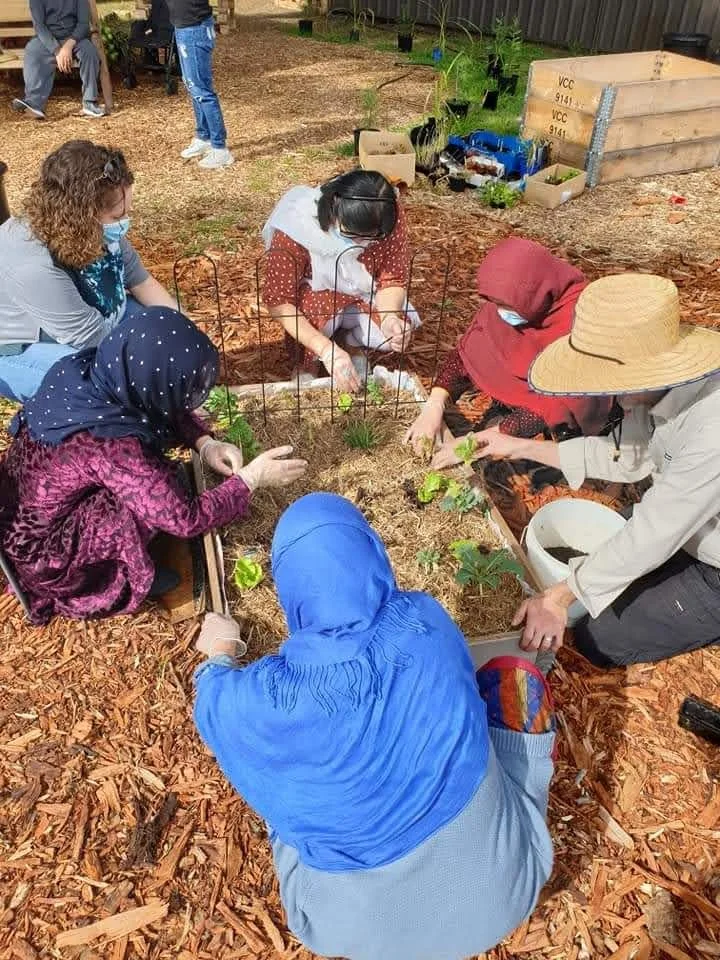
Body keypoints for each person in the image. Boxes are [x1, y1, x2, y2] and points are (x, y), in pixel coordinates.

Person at [193, 492, 556, 960]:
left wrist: (220, 650)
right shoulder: (425, 619)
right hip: (506, 893)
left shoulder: (261, 705)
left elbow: (211, 704)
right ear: (374, 555)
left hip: (352, 932)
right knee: (512, 677)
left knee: (284, 788)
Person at [457, 273, 720, 668]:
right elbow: (629, 457)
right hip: (686, 522)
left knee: (601, 639)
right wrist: (515, 445)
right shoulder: (647, 390)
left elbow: (658, 529)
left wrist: (559, 597)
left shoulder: (711, 423)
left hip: (712, 560)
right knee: (609, 564)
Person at [0, 308, 307, 625]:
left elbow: (154, 399)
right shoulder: (114, 447)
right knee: (145, 502)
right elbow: (185, 519)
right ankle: (118, 577)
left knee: (148, 485)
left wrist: (205, 443)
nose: (189, 397)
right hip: (45, 556)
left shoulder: (90, 371)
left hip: (22, 511)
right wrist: (250, 479)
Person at [0, 141, 178, 402]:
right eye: (118, 216)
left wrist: (184, 331)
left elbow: (143, 283)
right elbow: (92, 339)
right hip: (19, 349)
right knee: (95, 389)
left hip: (91, 320)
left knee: (163, 333)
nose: (125, 222)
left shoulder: (99, 230)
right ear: (83, 215)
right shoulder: (32, 263)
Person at [405, 238, 611, 457]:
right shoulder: (512, 300)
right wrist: (434, 405)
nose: (499, 311)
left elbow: (558, 402)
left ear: (536, 295)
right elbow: (468, 355)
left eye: (504, 305)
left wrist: (488, 438)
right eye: (493, 302)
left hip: (577, 416)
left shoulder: (578, 321)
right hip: (532, 399)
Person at [262, 171, 420, 392]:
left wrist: (389, 317)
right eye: (352, 234)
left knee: (389, 333)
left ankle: (351, 343)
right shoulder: (296, 224)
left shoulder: (387, 215)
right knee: (314, 315)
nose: (362, 243)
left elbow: (392, 279)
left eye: (371, 237)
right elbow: (279, 301)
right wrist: (326, 349)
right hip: (317, 298)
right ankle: (307, 362)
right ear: (333, 208)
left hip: (362, 293)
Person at [167, 0, 234, 170]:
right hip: (185, 27)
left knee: (202, 91)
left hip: (195, 28)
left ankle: (220, 149)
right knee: (192, 86)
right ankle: (204, 137)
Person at [11, 0, 105, 120]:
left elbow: (83, 25)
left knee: (89, 52)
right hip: (48, 38)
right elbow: (39, 26)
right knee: (32, 50)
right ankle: (34, 103)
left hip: (75, 38)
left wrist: (68, 46)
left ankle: (89, 102)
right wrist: (56, 50)